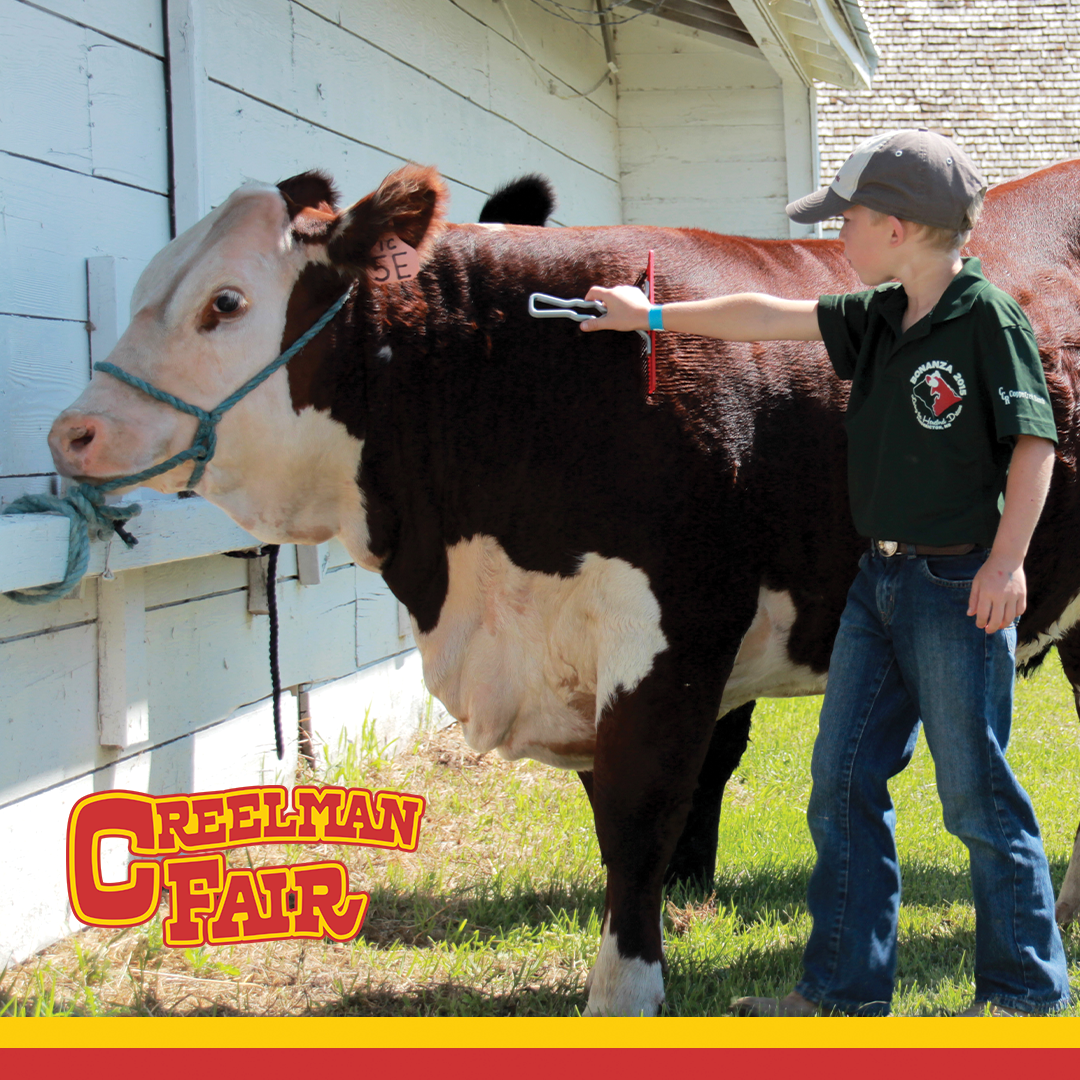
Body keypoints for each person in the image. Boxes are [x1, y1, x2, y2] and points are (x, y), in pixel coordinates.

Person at [581, 129, 1071, 1017]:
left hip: (957, 588)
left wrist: (1007, 564)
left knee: (978, 798)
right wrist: (649, 317)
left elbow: (1034, 444)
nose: (834, 235)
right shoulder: (883, 312)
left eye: (846, 218)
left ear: (897, 226)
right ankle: (842, 992)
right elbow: (767, 317)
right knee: (842, 786)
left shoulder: (985, 319)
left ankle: (1025, 995)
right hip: (874, 590)